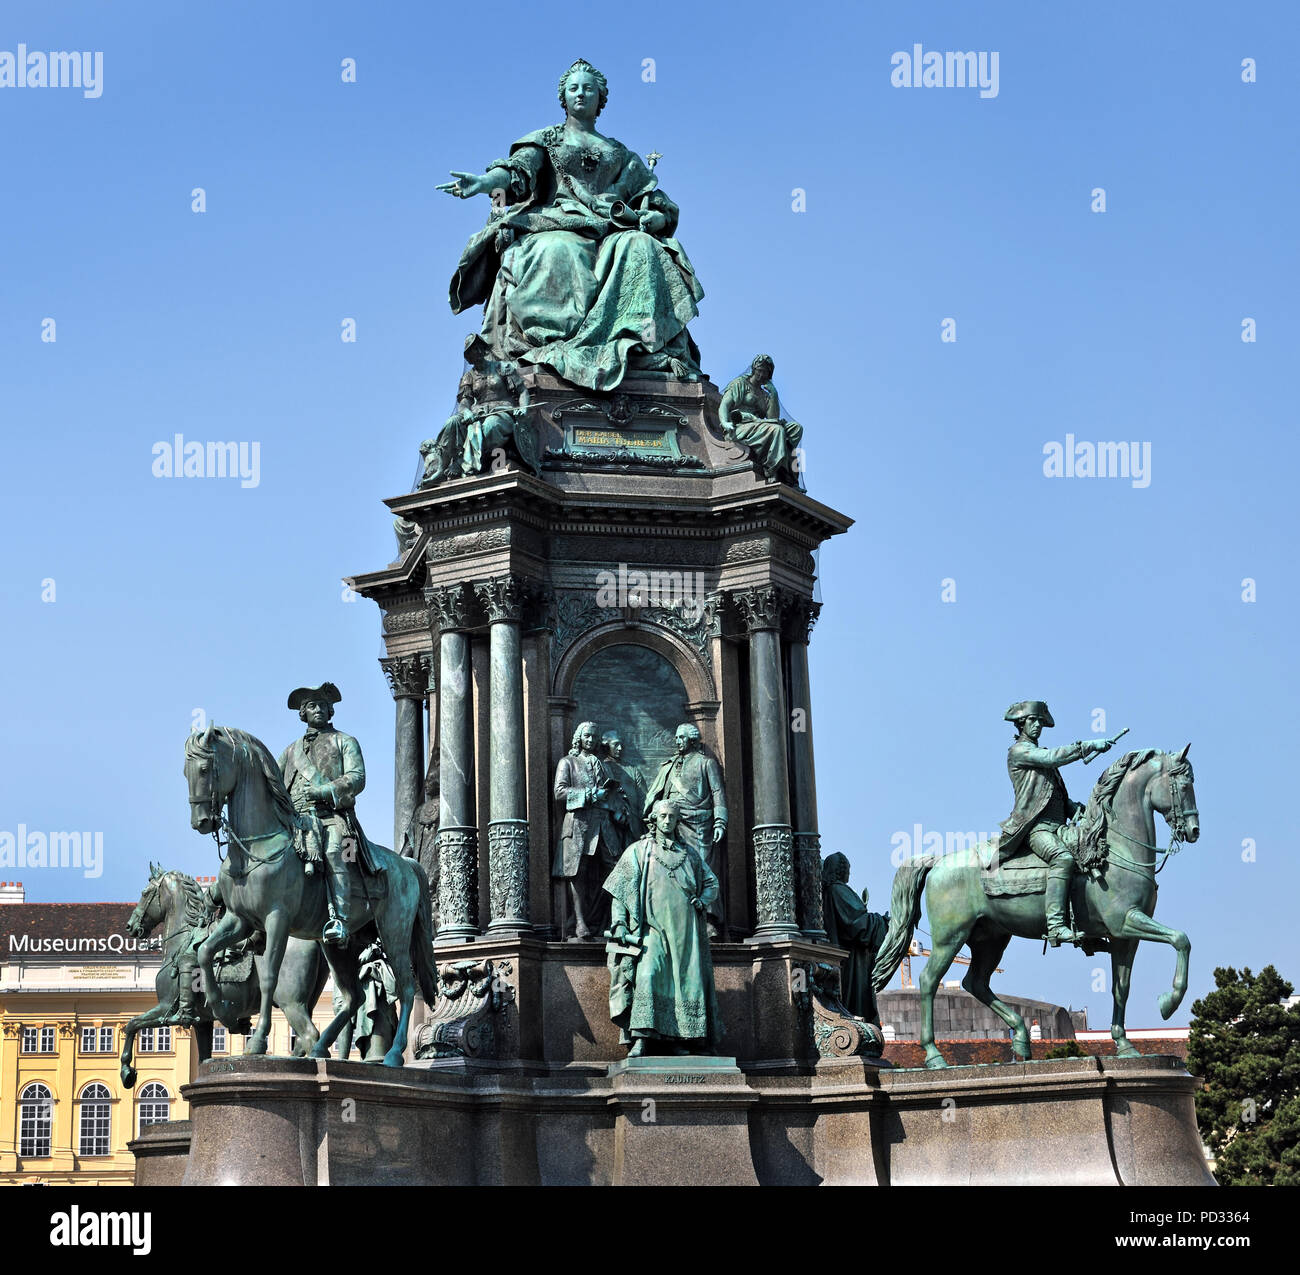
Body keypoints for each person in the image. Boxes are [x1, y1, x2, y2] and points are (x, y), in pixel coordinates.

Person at [438, 58, 704, 391]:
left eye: (588, 88)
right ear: (563, 97)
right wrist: (482, 183)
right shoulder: (547, 140)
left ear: (601, 99)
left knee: (644, 247)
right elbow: (516, 172)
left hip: (610, 230)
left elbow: (654, 198)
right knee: (559, 251)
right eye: (573, 88)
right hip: (553, 224)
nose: (580, 93)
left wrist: (657, 217)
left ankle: (635, 344)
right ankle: (554, 347)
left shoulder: (619, 153)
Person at [604, 800, 721, 1056]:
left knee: (684, 984)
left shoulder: (690, 854)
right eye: (664, 816)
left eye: (673, 818)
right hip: (652, 930)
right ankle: (641, 1039)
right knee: (648, 974)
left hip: (685, 933)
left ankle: (678, 1039)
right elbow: (620, 893)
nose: (668, 821)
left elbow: (712, 882)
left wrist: (702, 900)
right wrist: (620, 923)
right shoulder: (639, 851)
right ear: (654, 819)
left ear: (678, 822)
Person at [998, 701, 1115, 946]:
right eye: (1033, 720)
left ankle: (1086, 926)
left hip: (1058, 827)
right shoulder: (1020, 752)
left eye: (1041, 721)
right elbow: (1052, 758)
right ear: (1021, 724)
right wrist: (1087, 746)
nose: (1038, 725)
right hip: (1035, 828)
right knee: (1063, 859)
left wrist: (1074, 808)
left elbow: (1053, 792)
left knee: (1088, 855)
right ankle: (1055, 925)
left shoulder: (1040, 757)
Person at [278, 682, 367, 945]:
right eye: (311, 706)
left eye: (322, 706)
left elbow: (357, 777)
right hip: (296, 822)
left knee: (333, 852)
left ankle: (339, 919)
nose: (317, 710)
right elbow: (275, 784)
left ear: (331, 711)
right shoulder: (289, 752)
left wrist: (325, 790)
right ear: (302, 713)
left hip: (332, 817)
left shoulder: (345, 741)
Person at [643, 724, 728, 937]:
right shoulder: (670, 766)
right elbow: (657, 793)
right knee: (672, 869)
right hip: (672, 824)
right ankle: (676, 916)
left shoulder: (706, 763)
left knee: (702, 868)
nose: (677, 741)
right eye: (677, 737)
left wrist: (720, 821)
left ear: (692, 740)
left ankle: (707, 919)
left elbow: (718, 792)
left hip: (700, 824)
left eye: (681, 738)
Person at [552, 721, 624, 939]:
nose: (591, 740)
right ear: (579, 738)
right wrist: (591, 794)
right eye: (587, 736)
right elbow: (560, 792)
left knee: (615, 870)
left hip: (603, 824)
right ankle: (580, 922)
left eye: (594, 737)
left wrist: (616, 808)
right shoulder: (568, 762)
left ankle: (606, 919)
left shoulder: (602, 764)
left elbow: (611, 794)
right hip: (579, 824)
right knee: (578, 872)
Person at [820, 853, 890, 1023]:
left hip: (844, 957)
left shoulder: (831, 891)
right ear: (840, 870)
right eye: (847, 870)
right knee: (855, 999)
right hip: (851, 959)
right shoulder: (838, 890)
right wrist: (883, 921)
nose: (849, 874)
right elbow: (858, 925)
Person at [718, 355, 804, 486]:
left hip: (758, 425)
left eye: (766, 372)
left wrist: (774, 394)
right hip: (740, 425)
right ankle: (772, 470)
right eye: (760, 370)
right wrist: (724, 422)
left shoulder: (765, 394)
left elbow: (772, 418)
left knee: (796, 429)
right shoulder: (740, 384)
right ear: (754, 369)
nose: (762, 374)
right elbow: (724, 405)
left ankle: (786, 470)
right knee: (777, 430)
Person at [600, 729, 646, 846]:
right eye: (616, 744)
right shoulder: (600, 768)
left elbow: (643, 798)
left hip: (633, 825)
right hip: (610, 825)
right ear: (606, 746)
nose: (620, 748)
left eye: (621, 744)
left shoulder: (632, 770)